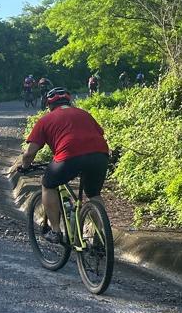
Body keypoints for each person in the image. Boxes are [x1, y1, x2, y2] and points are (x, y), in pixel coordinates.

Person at [8, 87, 110, 243]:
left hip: (69, 157)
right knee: (94, 194)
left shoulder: (45, 120)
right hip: (100, 155)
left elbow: (29, 153)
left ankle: (56, 231)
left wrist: (25, 166)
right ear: (69, 101)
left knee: (48, 185)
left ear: (49, 105)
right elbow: (99, 134)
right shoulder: (84, 114)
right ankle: (100, 237)